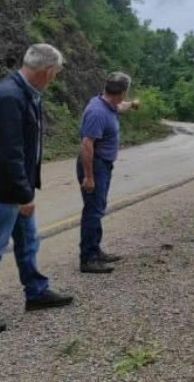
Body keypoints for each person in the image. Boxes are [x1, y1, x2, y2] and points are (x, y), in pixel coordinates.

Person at [0, 44, 73, 334]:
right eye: (56, 73)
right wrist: (23, 194)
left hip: (15, 186)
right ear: (47, 70)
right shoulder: (9, 96)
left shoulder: (25, 94)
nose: (55, 78)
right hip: (2, 190)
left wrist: (25, 190)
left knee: (28, 242)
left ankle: (36, 291)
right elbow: (9, 153)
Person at [77, 72, 139, 273]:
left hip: (103, 165)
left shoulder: (108, 104)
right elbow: (87, 144)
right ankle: (88, 259)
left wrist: (132, 104)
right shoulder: (97, 112)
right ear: (122, 91)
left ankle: (95, 249)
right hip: (95, 165)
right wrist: (88, 176)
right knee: (93, 211)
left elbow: (120, 107)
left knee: (98, 208)